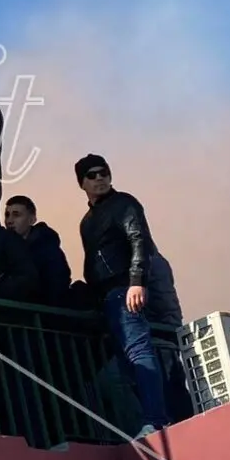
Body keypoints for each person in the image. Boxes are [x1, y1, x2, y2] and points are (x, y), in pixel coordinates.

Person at [74, 154, 169, 437]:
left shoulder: (124, 203)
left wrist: (136, 281)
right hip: (108, 298)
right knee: (123, 368)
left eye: (104, 172)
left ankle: (157, 420)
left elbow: (140, 240)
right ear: (82, 183)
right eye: (92, 175)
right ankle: (146, 422)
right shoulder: (87, 221)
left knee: (139, 352)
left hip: (125, 290)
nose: (100, 178)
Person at [3, 195, 73, 306]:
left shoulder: (47, 249)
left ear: (32, 220)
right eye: (7, 215)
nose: (9, 220)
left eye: (16, 215)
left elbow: (58, 284)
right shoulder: (5, 250)